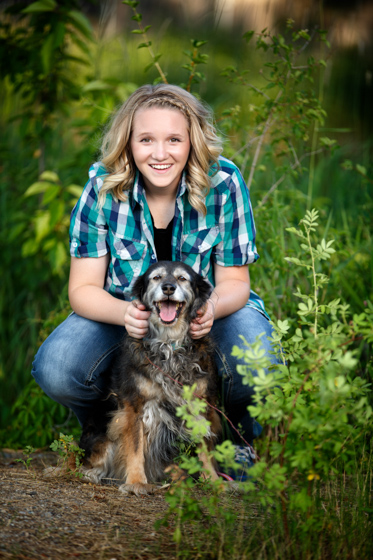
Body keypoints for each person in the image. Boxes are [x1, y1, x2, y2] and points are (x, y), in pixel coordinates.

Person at [32, 84, 278, 475]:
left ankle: (235, 441)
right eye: (146, 139)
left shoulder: (224, 183)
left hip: (206, 313)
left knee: (259, 359)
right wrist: (125, 313)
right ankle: (118, 432)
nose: (160, 153)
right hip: (123, 315)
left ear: (192, 142)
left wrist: (209, 307)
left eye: (174, 139)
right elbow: (82, 290)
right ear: (128, 143)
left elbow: (235, 281)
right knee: (58, 366)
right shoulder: (102, 186)